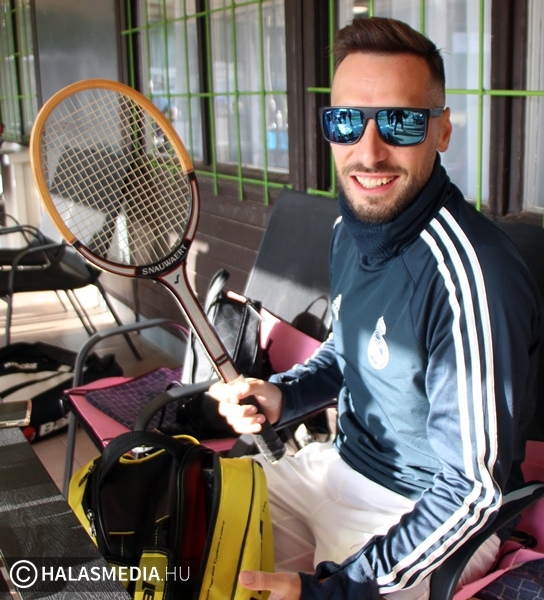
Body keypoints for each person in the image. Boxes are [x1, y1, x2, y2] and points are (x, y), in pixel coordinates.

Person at [209, 16, 543, 600]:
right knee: (195, 539)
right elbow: (348, 351)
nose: (368, 151)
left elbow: (471, 490)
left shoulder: (474, 277)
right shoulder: (350, 230)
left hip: (425, 515)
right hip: (333, 466)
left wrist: (337, 590)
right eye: (347, 121)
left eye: (400, 122)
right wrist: (285, 394)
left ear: (441, 132)